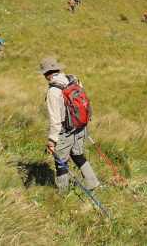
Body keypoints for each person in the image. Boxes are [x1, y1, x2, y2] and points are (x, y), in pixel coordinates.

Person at [41, 56, 100, 193]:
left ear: (46, 74)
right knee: (77, 154)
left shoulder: (53, 92)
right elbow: (84, 102)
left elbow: (55, 120)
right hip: (80, 125)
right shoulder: (73, 79)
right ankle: (93, 182)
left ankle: (63, 194)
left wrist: (52, 141)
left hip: (65, 130)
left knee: (61, 162)